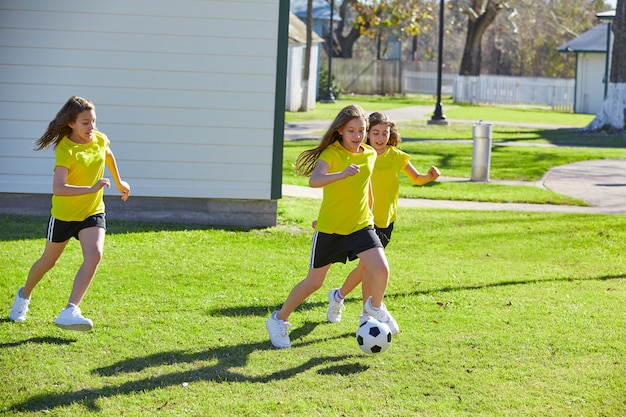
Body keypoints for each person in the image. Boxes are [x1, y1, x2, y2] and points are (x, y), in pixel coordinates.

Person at [266, 104, 398, 349]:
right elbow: (314, 181)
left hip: (361, 225)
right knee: (314, 283)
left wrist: (371, 211)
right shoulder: (332, 155)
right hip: (331, 229)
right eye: (351, 131)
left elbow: (366, 186)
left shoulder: (369, 154)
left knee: (381, 269)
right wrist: (341, 174)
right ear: (340, 131)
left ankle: (374, 307)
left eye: (361, 130)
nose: (357, 136)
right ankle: (279, 319)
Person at [9, 96, 131, 331]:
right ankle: (23, 296)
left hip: (92, 212)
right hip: (64, 215)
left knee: (94, 255)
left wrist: (119, 181)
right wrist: (91, 188)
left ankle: (70, 310)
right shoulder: (66, 150)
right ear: (72, 123)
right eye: (85, 123)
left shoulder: (99, 139)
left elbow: (107, 154)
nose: (91, 127)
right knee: (48, 261)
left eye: (93, 121)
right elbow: (58, 188)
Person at [326, 112, 440, 326]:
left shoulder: (396, 156)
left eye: (384, 133)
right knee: (367, 268)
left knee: (366, 268)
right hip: (364, 220)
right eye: (375, 133)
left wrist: (429, 177)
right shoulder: (361, 155)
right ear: (367, 134)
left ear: (390, 134)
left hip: (386, 221)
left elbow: (416, 178)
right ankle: (365, 315)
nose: (380, 138)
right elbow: (339, 187)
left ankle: (339, 297)